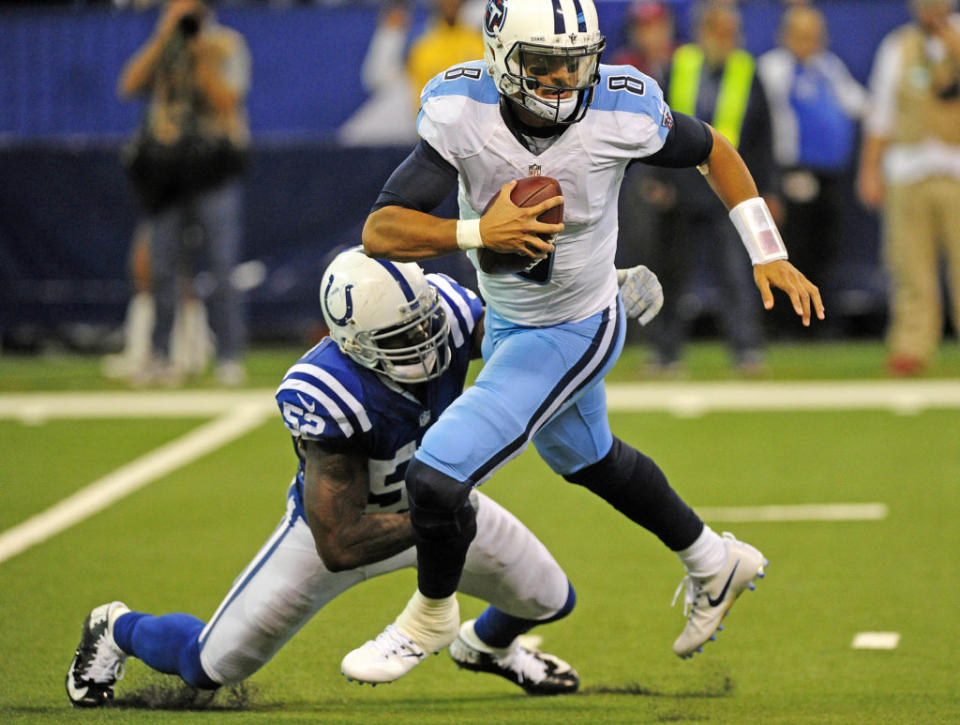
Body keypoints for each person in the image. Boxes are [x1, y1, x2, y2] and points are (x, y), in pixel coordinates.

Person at [342, 0, 822, 685]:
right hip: (508, 314)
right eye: (545, 65)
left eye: (575, 63)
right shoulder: (461, 109)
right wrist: (481, 233)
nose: (565, 80)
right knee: (587, 456)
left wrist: (765, 249)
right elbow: (382, 230)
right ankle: (715, 559)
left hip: (577, 324)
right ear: (503, 57)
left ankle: (431, 613)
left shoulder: (619, 109)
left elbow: (713, 147)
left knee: (436, 474)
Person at [68, 249, 661, 706]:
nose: (428, 342)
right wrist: (443, 515)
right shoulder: (329, 393)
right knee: (209, 668)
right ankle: (119, 628)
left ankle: (486, 648)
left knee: (549, 598)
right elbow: (340, 542)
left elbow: (524, 339)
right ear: (351, 343)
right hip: (347, 534)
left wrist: (595, 299)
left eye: (426, 322)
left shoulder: (448, 314)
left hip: (441, 507)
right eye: (404, 338)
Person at [118, 0, 251, 386]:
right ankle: (160, 354)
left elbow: (228, 100)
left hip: (213, 167)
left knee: (222, 266)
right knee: (161, 266)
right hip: (167, 170)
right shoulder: (164, 45)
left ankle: (229, 355)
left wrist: (201, 58)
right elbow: (128, 85)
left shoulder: (226, 44)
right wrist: (162, 41)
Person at [646, 1, 780, 376]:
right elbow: (654, 126)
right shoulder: (678, 65)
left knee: (737, 272)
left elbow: (764, 136)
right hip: (682, 187)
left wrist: (766, 190)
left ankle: (746, 349)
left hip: (729, 189)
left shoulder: (747, 70)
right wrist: (656, 178)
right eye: (721, 31)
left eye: (732, 32)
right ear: (703, 31)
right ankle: (665, 353)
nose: (728, 39)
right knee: (671, 274)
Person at [857, 0, 960, 376]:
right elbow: (881, 113)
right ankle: (912, 345)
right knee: (909, 266)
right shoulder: (897, 46)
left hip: (957, 168)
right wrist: (869, 170)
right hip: (909, 168)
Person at [758, 4, 867, 312]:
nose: (810, 42)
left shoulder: (829, 67)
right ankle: (785, 317)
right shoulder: (772, 68)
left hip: (829, 173)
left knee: (825, 245)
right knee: (793, 244)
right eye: (802, 35)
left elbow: (858, 104)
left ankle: (819, 312)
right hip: (791, 168)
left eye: (815, 35)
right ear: (786, 35)